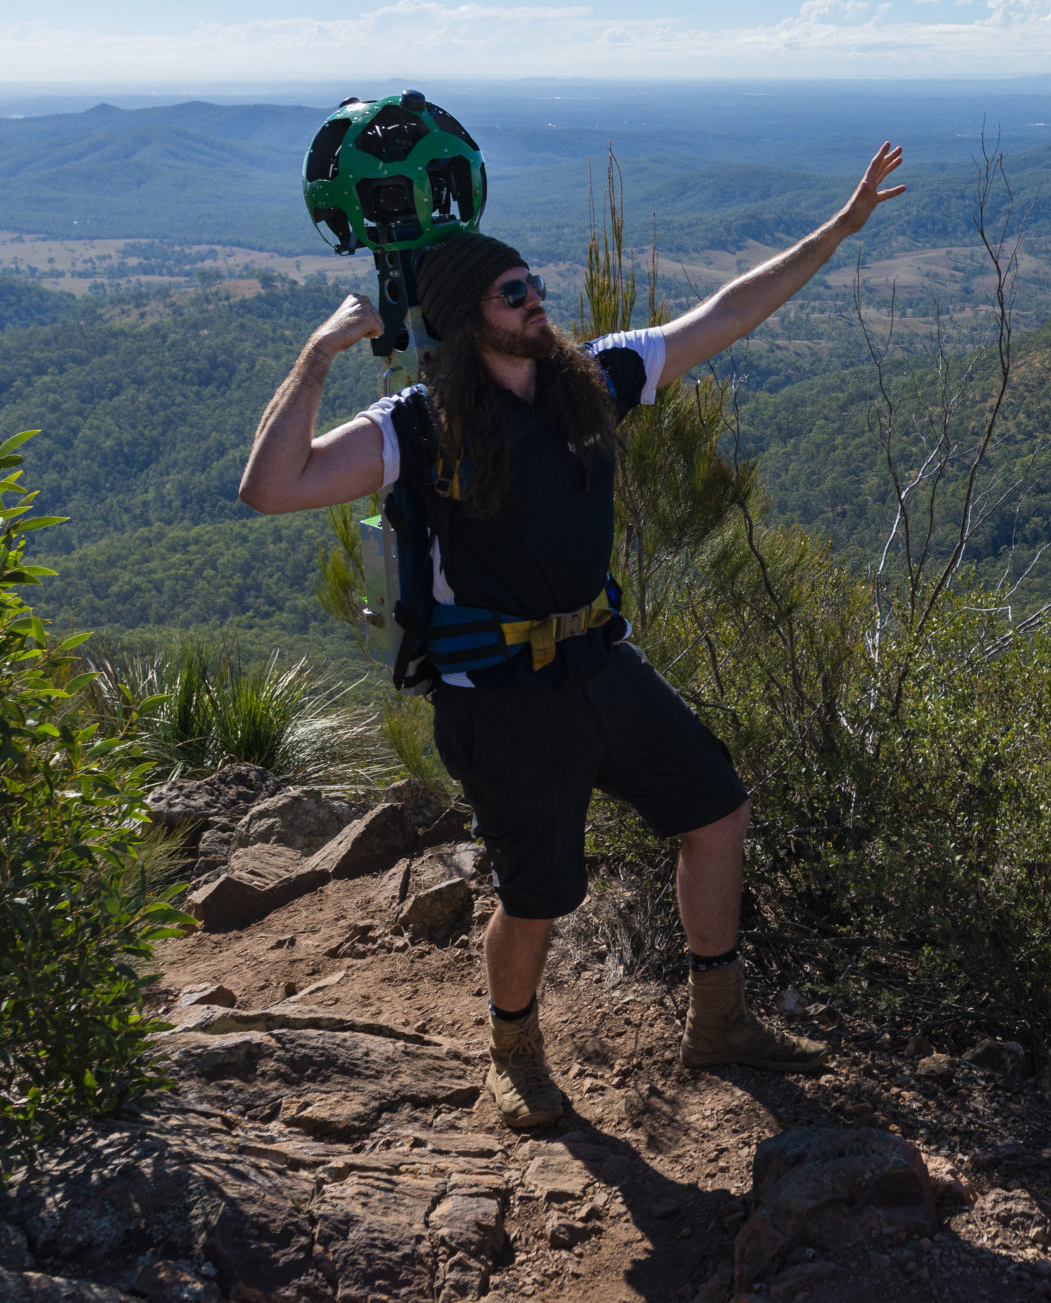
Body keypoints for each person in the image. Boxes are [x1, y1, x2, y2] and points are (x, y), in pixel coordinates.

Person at [238, 139, 907, 1128]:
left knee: (716, 812)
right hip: (498, 693)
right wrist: (318, 353)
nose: (537, 298)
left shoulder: (591, 377)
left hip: (599, 657)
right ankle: (513, 1045)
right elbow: (270, 487)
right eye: (514, 291)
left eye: (535, 281)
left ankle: (717, 1017)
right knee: (538, 891)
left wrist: (840, 229)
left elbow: (722, 312)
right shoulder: (414, 428)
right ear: (471, 319)